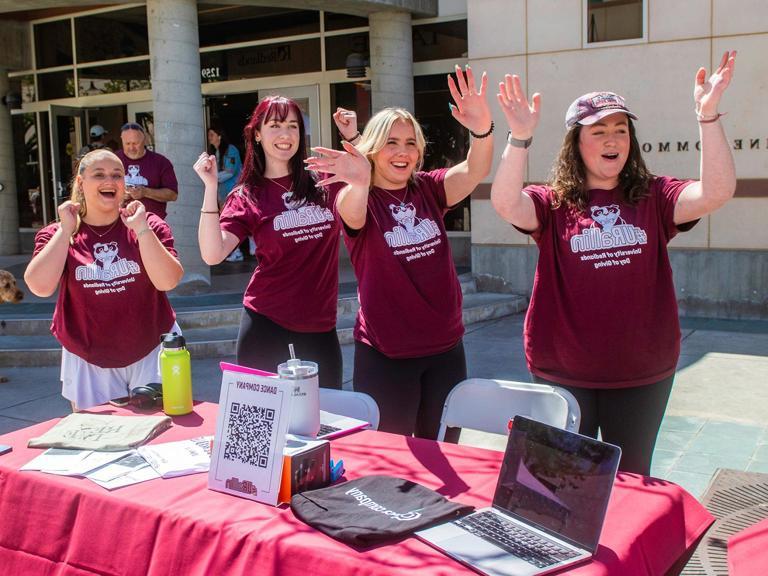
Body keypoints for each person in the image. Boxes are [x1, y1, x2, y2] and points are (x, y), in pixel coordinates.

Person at [490, 51, 737, 474]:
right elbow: (507, 204)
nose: (612, 140)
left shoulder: (655, 195)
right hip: (562, 371)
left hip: (642, 372)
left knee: (632, 477)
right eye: (599, 130)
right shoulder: (553, 202)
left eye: (621, 130)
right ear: (576, 144)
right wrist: (518, 137)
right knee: (562, 482)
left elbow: (715, 192)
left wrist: (708, 116)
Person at [305, 65, 494, 440]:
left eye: (410, 143)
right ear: (373, 148)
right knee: (396, 462)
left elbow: (474, 170)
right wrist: (359, 181)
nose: (402, 151)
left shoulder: (429, 189)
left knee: (446, 449)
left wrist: (482, 129)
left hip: (445, 349)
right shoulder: (356, 197)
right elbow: (351, 210)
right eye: (391, 142)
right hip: (386, 356)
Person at [194, 95, 343, 390]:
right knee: (261, 425)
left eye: (292, 126)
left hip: (321, 327)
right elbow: (213, 254)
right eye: (275, 125)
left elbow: (369, 177)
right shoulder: (248, 195)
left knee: (327, 422)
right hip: (266, 325)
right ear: (258, 134)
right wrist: (210, 188)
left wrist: (352, 136)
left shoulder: (326, 179)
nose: (286, 135)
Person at [24, 149, 184, 410]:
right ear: (80, 182)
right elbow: (40, 287)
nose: (110, 181)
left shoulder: (148, 224)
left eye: (117, 175)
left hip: (152, 348)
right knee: (98, 441)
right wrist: (65, 231)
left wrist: (141, 229)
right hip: (87, 355)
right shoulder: (59, 232)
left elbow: (168, 281)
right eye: (99, 174)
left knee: (161, 438)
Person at [117, 122, 179, 220]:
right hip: (120, 223)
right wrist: (119, 195)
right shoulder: (113, 160)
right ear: (122, 140)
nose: (131, 148)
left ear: (144, 140)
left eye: (135, 143)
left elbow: (173, 194)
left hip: (152, 225)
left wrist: (145, 192)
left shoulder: (160, 162)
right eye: (127, 143)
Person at [207, 123, 246, 262]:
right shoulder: (217, 152)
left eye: (212, 134)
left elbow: (230, 171)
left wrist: (211, 178)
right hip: (223, 192)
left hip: (232, 192)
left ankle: (237, 252)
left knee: (231, 223)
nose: (209, 138)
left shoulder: (231, 150)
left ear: (219, 135)